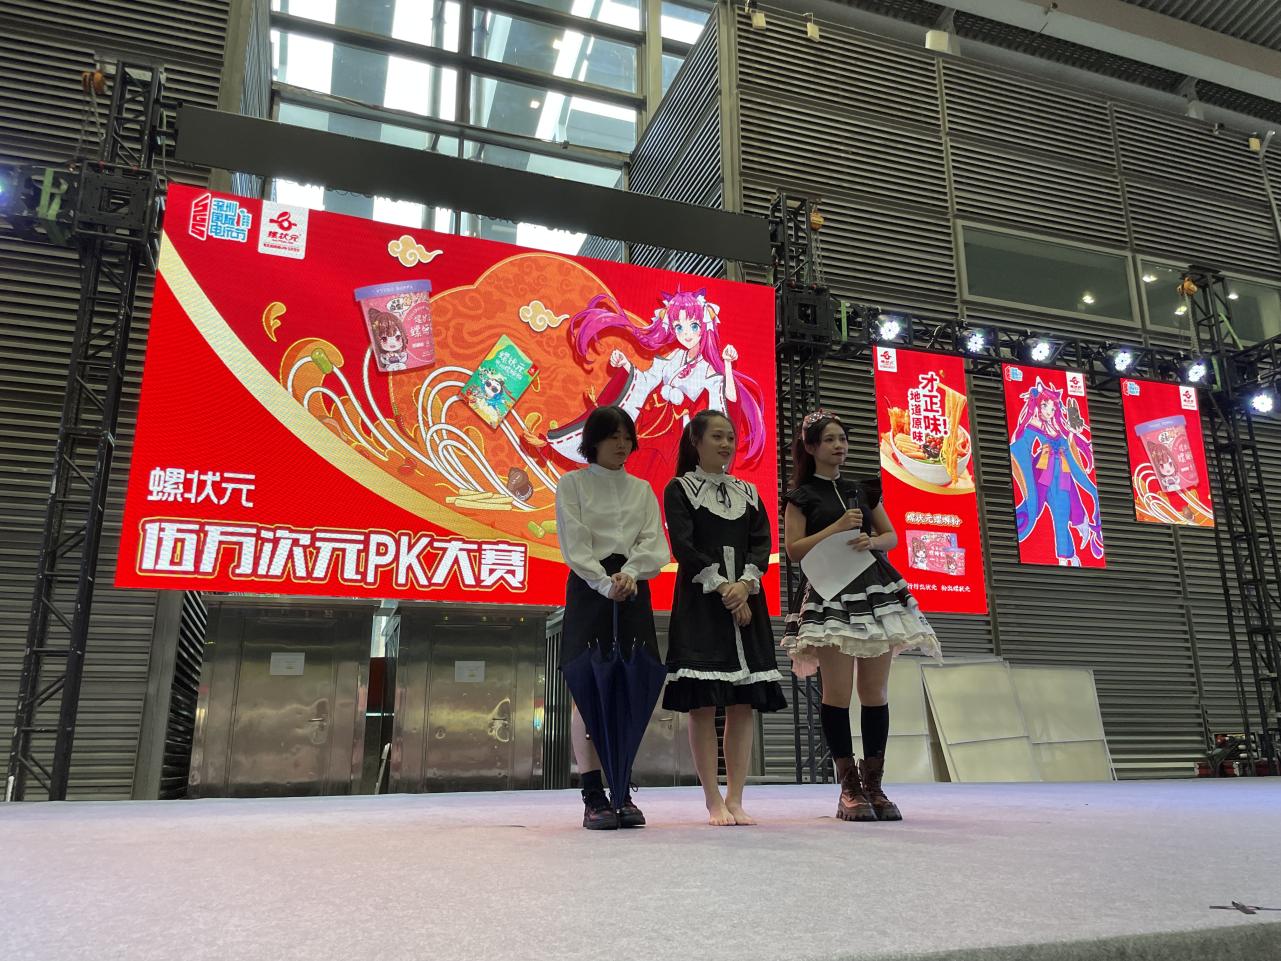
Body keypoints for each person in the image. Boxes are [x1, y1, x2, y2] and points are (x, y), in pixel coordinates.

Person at [781, 410, 940, 822]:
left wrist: (873, 540)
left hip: (875, 591)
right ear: (811, 447)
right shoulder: (800, 496)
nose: (839, 446)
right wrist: (835, 528)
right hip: (830, 593)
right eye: (830, 440)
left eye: (843, 439)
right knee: (837, 693)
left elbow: (892, 536)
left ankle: (874, 785)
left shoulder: (863, 490)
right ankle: (848, 787)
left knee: (875, 692)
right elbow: (794, 550)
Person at [662, 410, 786, 826]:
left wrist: (745, 586)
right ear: (695, 441)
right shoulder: (680, 488)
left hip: (748, 601)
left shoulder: (748, 491)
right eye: (717, 436)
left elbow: (761, 543)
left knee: (742, 704)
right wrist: (723, 589)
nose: (726, 444)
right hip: (701, 602)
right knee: (701, 704)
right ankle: (712, 799)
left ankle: (736, 797)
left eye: (730, 437)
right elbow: (684, 546)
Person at [554, 405, 669, 830]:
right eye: (612, 436)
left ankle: (621, 788)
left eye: (627, 436)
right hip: (590, 588)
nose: (622, 444)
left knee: (630, 684)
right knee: (587, 686)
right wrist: (604, 583)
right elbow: (574, 540)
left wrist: (631, 574)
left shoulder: (642, 489)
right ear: (593, 441)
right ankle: (593, 794)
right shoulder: (573, 484)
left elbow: (653, 541)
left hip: (632, 587)